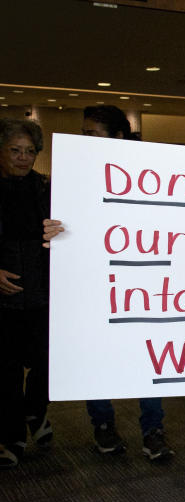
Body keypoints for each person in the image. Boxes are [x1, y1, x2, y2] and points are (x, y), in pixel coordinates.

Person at [79, 105, 173, 461]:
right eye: (84, 133)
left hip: (141, 279)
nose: (85, 139)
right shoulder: (78, 174)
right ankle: (102, 424)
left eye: (93, 133)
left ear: (118, 136)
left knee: (146, 356)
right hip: (94, 278)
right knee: (96, 354)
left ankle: (153, 429)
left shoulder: (147, 174)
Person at [0, 118, 53, 468]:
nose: (23, 158)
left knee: (48, 363)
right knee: (5, 369)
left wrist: (63, 229)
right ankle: (11, 436)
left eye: (29, 152)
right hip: (2, 297)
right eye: (15, 151)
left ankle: (35, 413)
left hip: (44, 292)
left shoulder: (46, 188)